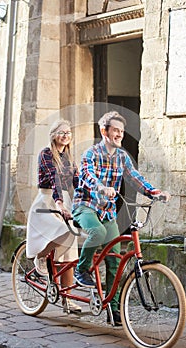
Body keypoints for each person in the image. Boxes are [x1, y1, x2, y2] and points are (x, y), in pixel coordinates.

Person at [72, 111, 170, 325]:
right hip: (85, 206)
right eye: (115, 130)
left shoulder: (122, 156)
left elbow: (135, 178)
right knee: (97, 232)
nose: (119, 135)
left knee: (115, 261)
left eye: (122, 131)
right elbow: (88, 175)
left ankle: (114, 311)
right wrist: (101, 187)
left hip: (107, 212)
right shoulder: (91, 153)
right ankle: (81, 269)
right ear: (104, 131)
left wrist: (154, 192)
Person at [26, 119, 81, 313]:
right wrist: (59, 204)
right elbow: (54, 180)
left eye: (68, 132)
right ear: (53, 135)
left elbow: (77, 181)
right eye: (61, 132)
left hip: (63, 203)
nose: (66, 135)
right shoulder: (46, 154)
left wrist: (93, 198)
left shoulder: (69, 157)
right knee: (62, 232)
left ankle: (67, 300)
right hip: (46, 202)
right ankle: (40, 257)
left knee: (69, 252)